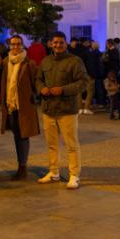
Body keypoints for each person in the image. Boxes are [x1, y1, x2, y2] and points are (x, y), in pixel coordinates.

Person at [36, 31, 89, 190]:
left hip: (67, 109)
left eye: (61, 42)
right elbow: (38, 79)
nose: (58, 45)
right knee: (52, 144)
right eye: (55, 42)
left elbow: (84, 81)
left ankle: (74, 175)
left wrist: (64, 90)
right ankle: (53, 172)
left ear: (65, 44)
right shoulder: (45, 61)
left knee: (71, 144)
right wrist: (42, 89)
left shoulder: (74, 61)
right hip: (48, 109)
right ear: (51, 44)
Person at [0, 35, 38, 181]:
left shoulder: (29, 63)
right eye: (13, 44)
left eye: (18, 44)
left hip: (24, 106)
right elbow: (4, 81)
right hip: (11, 105)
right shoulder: (6, 62)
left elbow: (35, 83)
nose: (15, 47)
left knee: (23, 135)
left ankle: (22, 166)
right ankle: (21, 165)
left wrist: (32, 97)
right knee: (17, 135)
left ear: (22, 45)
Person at [79, 38, 100, 115]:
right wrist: (93, 74)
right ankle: (86, 108)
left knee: (80, 91)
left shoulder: (80, 51)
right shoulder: (89, 53)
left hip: (80, 73)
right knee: (90, 91)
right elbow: (90, 65)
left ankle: (80, 108)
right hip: (88, 74)